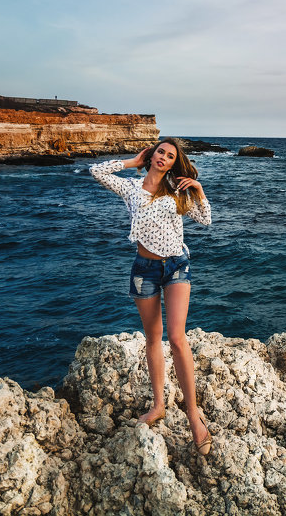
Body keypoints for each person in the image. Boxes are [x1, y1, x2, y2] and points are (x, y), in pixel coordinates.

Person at [89, 138, 213, 455]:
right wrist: (132, 162)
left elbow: (205, 219)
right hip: (144, 269)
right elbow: (96, 170)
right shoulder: (131, 189)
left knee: (176, 336)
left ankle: (194, 416)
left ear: (174, 163)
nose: (164, 158)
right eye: (161, 152)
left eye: (171, 156)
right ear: (152, 154)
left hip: (176, 266)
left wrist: (198, 189)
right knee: (152, 337)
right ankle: (158, 405)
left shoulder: (176, 189)